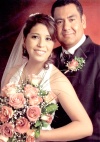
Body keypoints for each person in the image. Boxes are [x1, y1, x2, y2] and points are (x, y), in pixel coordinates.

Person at [0, 13, 93, 142]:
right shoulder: (12, 72)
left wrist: (37, 134)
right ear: (25, 40)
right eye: (35, 37)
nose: (41, 44)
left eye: (48, 39)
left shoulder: (57, 80)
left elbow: (85, 127)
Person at [51, 0, 100, 142]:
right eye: (59, 22)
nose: (66, 27)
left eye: (72, 19)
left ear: (83, 21)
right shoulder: (46, 57)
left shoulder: (99, 56)